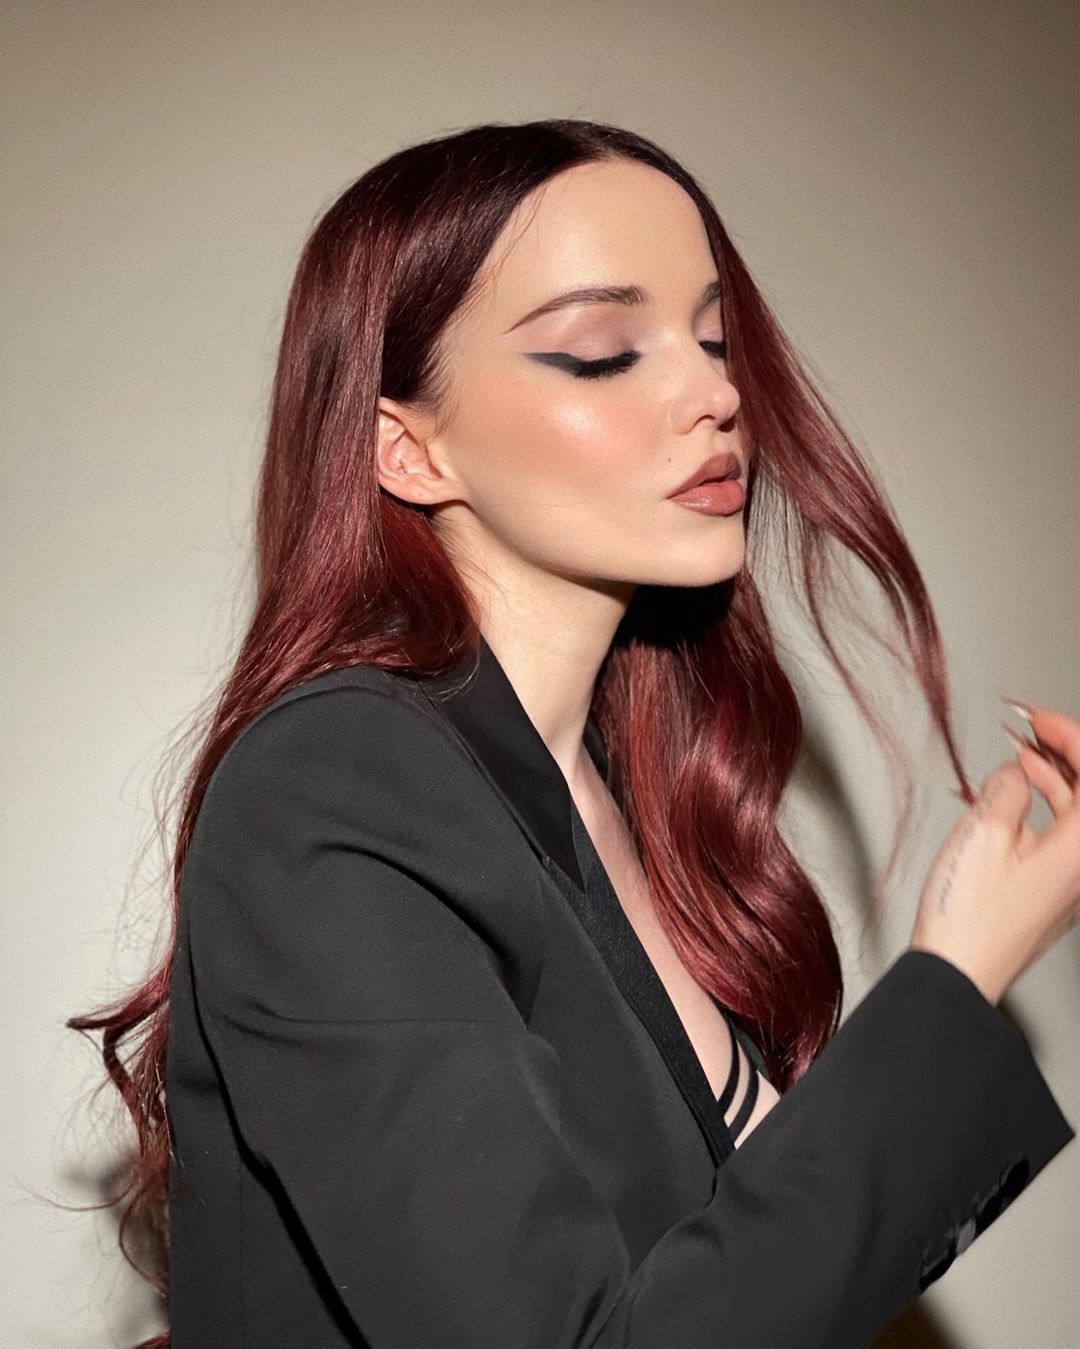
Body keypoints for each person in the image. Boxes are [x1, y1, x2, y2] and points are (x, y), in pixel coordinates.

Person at [69, 118, 1078, 1348]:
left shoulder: (617, 802)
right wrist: (960, 970)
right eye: (603, 352)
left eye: (715, 340)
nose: (716, 394)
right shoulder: (335, 782)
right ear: (408, 448)